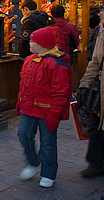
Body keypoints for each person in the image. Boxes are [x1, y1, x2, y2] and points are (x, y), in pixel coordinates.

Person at [17, 27, 71, 188]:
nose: (30, 43)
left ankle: (48, 173)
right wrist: (20, 102)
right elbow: (23, 84)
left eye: (33, 41)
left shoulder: (56, 63)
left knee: (48, 143)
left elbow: (60, 90)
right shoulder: (29, 60)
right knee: (23, 134)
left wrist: (55, 113)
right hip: (28, 108)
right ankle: (33, 162)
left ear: (43, 44)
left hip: (47, 111)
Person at [79, 0, 104, 193]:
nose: (99, 14)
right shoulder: (102, 33)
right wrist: (84, 85)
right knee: (95, 129)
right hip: (100, 94)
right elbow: (94, 62)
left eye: (103, 10)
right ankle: (95, 164)